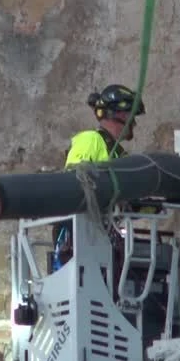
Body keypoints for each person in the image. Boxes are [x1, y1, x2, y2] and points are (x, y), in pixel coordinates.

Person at [51, 84, 146, 271]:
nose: (134, 123)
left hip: (99, 235)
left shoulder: (118, 153)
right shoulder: (91, 140)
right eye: (132, 117)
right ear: (122, 115)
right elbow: (76, 179)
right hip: (76, 233)